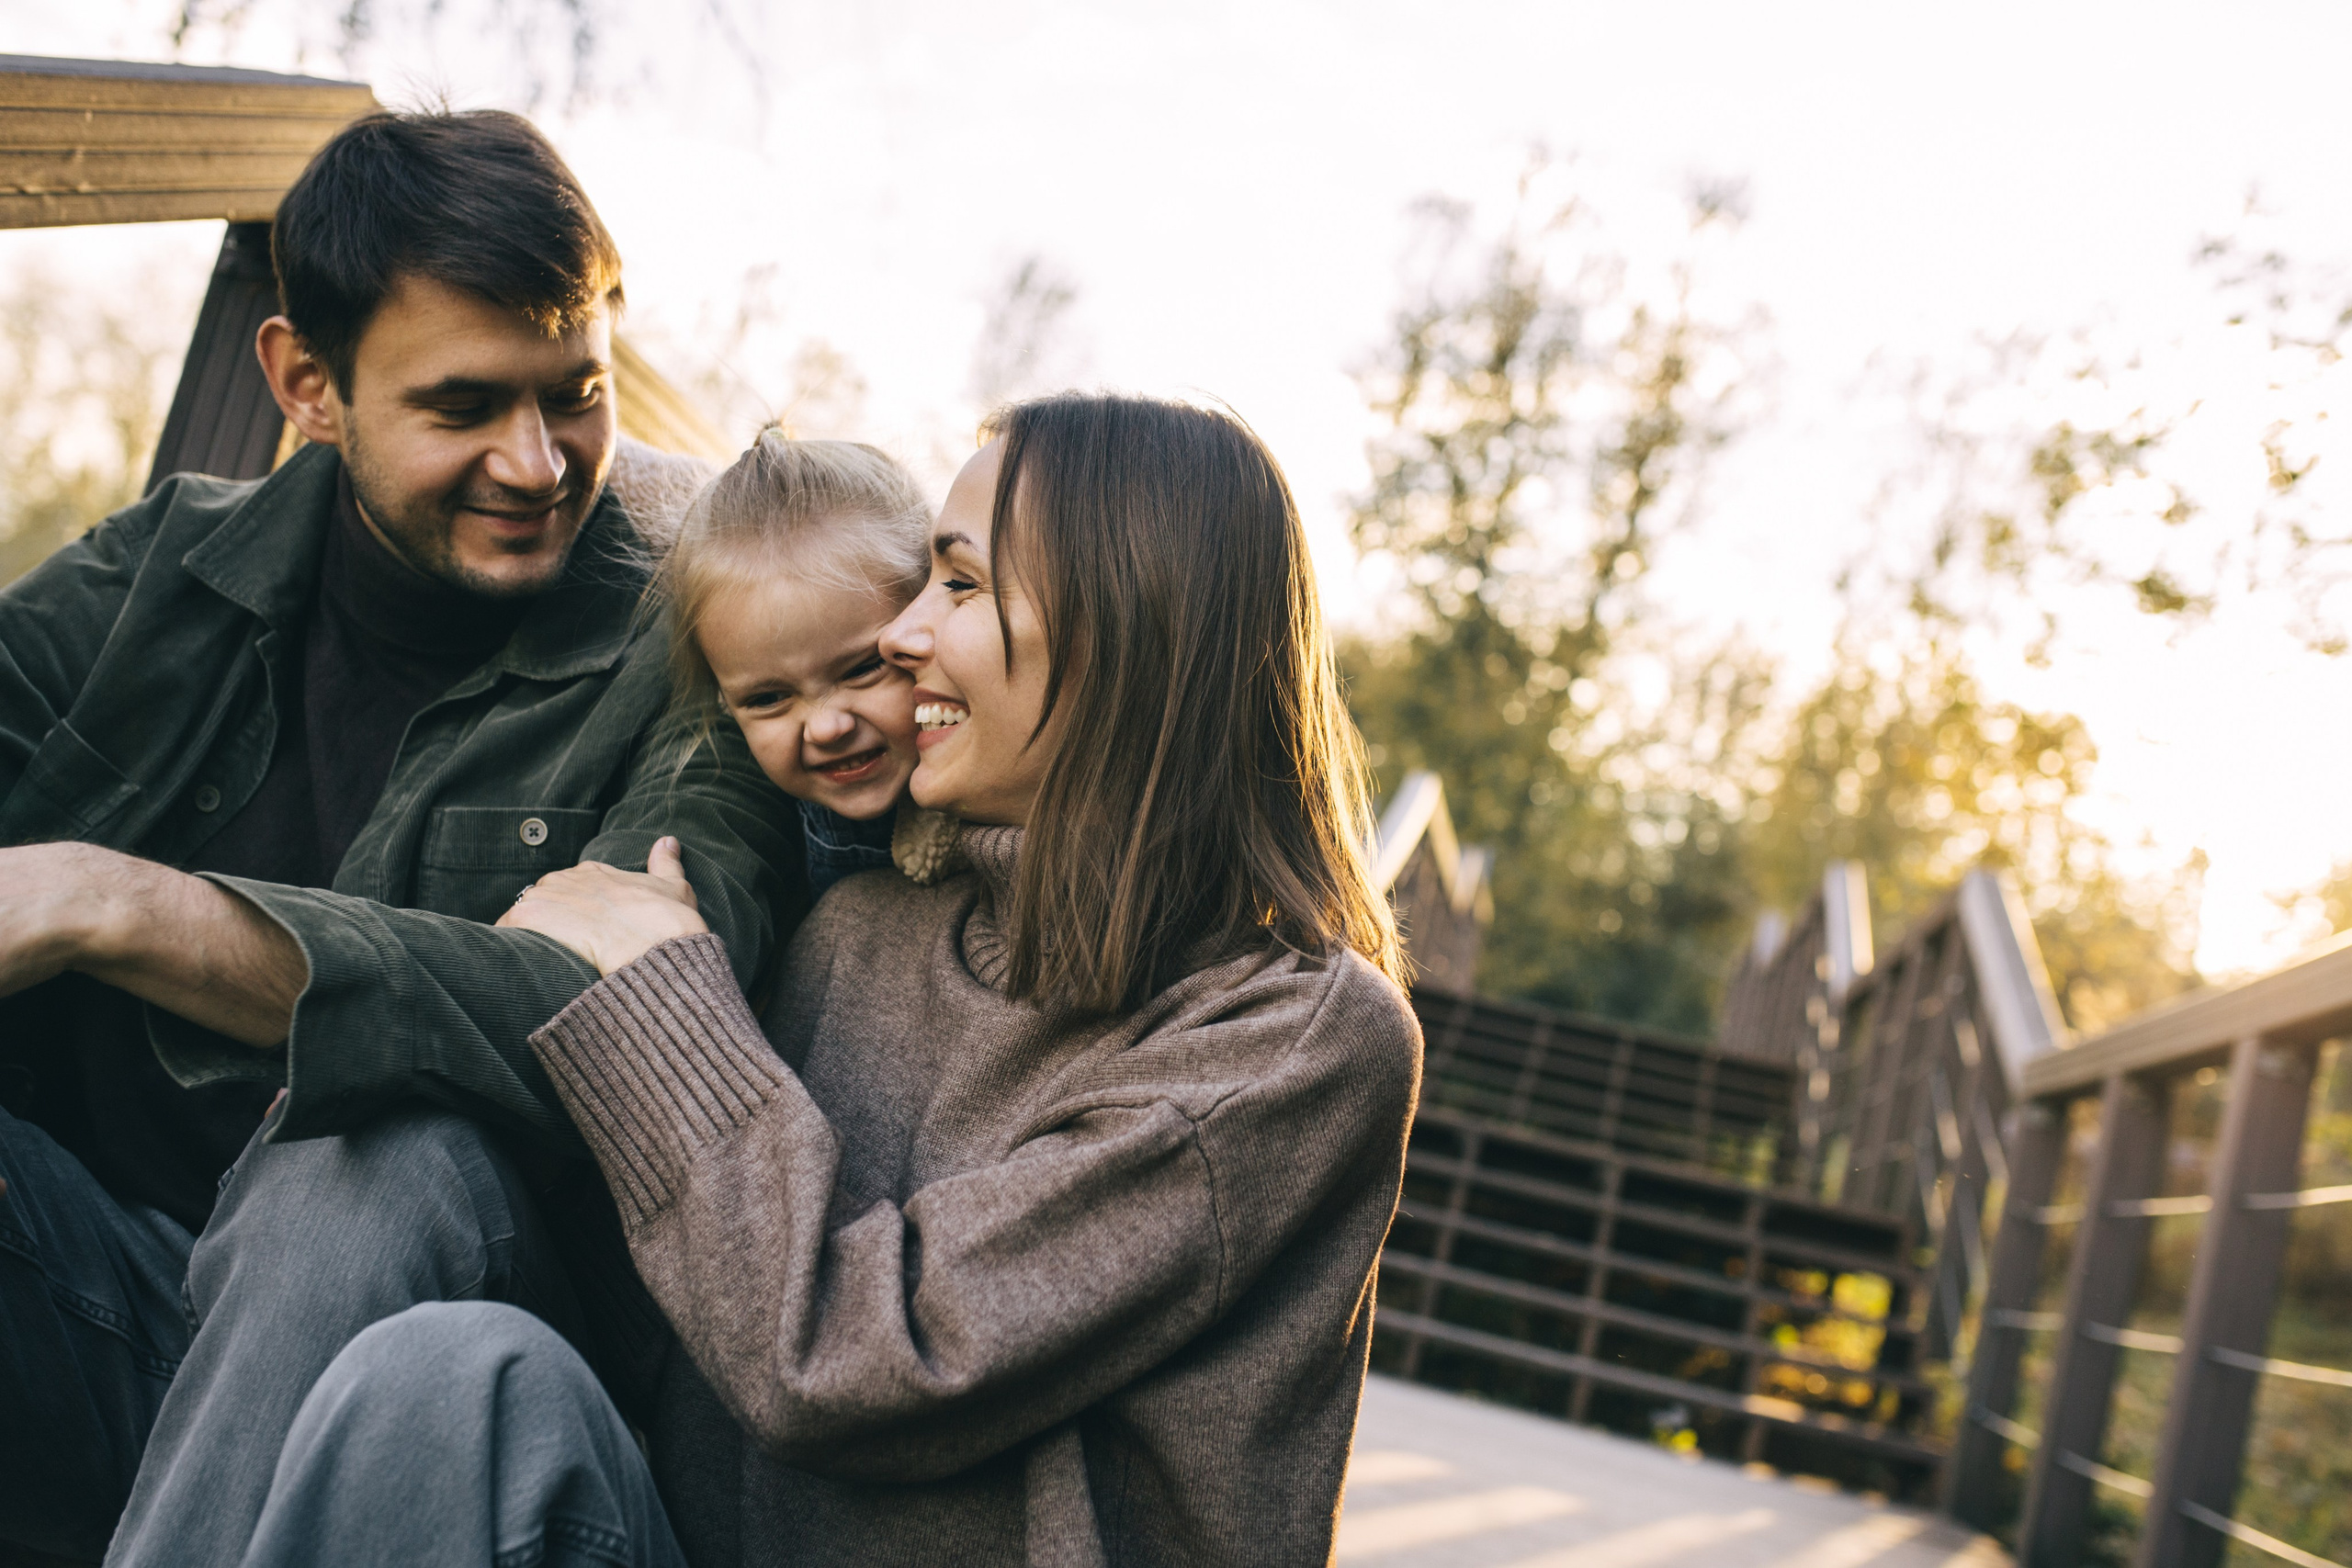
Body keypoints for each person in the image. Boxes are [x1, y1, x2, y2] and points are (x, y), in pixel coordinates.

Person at [237, 392, 1424, 1567]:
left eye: (956, 586)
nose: (903, 637)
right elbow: (669, 1317)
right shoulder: (862, 928)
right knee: (416, 1272)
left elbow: (860, 1362)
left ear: (1129, 627)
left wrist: (663, 1000)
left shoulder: (1292, 1041)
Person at [0, 109, 809, 1564]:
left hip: (431, 1378)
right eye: (462, 406)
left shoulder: (692, 638)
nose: (540, 462)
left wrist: (113, 903)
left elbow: (622, 1022)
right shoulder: (159, 578)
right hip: (111, 1296)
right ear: (308, 384)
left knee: (363, 1157)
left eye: (577, 393)